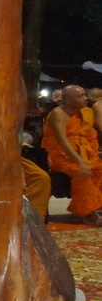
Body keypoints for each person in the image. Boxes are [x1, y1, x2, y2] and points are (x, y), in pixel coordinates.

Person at [43, 84, 102, 226]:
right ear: (68, 99)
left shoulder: (86, 112)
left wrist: (93, 153)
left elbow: (89, 136)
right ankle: (88, 213)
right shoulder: (58, 113)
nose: (86, 98)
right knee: (82, 172)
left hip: (83, 153)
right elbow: (62, 141)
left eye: (85, 95)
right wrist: (80, 162)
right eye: (81, 96)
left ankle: (95, 207)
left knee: (99, 169)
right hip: (60, 155)